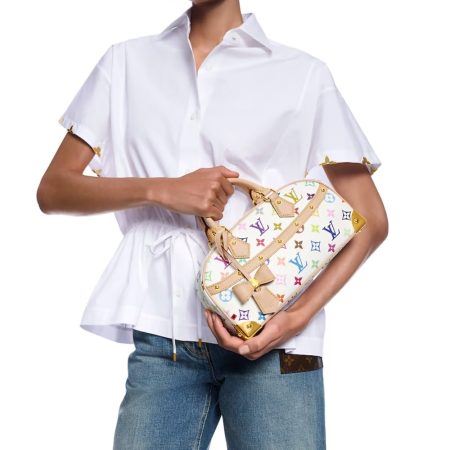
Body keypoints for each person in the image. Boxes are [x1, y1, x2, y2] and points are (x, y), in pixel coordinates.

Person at [37, 1, 389, 448]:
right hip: (164, 339)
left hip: (275, 345)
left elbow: (371, 220)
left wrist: (295, 319)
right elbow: (53, 189)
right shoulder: (125, 63)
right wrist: (162, 189)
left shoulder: (303, 75)